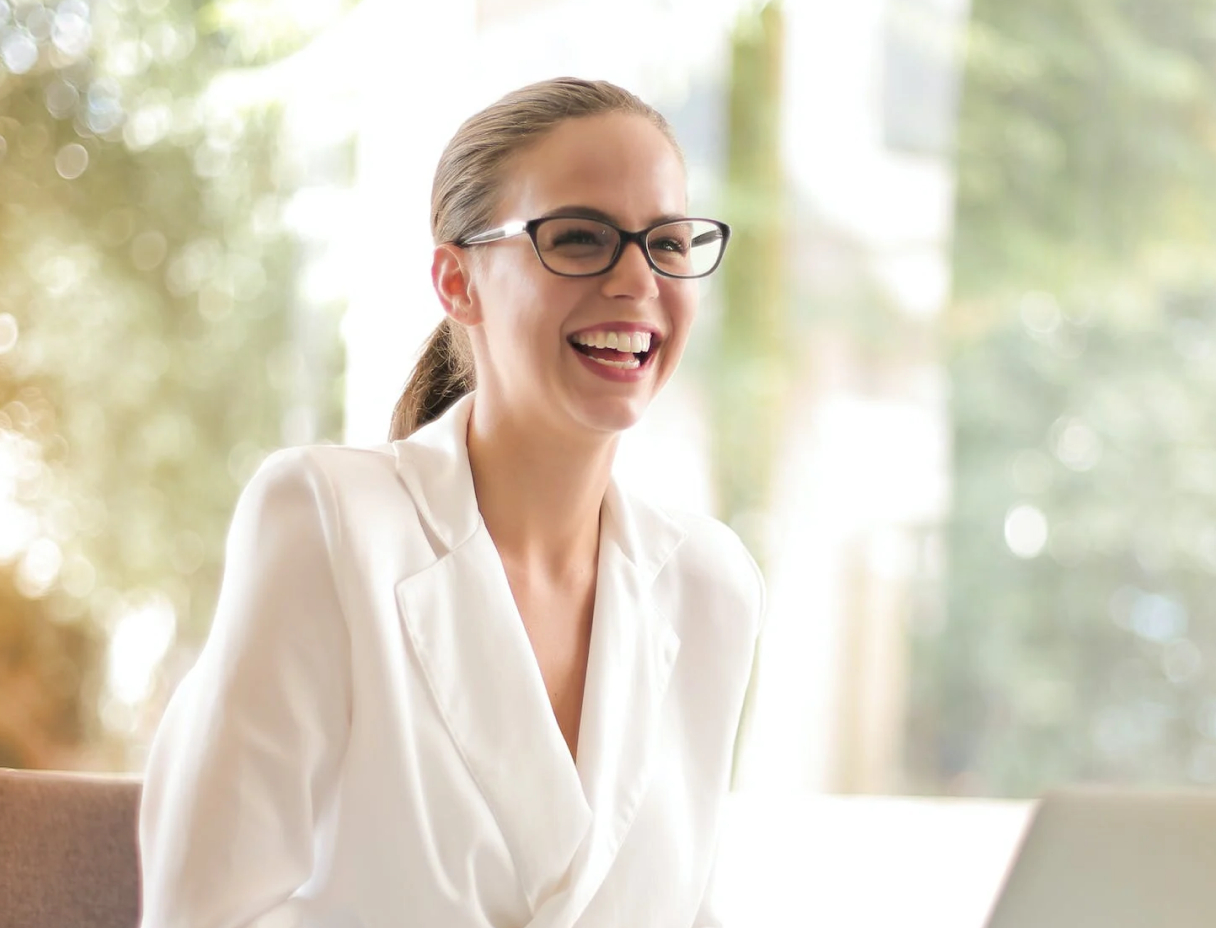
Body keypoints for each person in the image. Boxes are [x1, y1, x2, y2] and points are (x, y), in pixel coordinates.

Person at [138, 76, 764, 928]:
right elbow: (204, 916)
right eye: (579, 238)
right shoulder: (326, 522)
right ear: (456, 281)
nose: (635, 279)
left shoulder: (711, 583)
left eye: (668, 242)